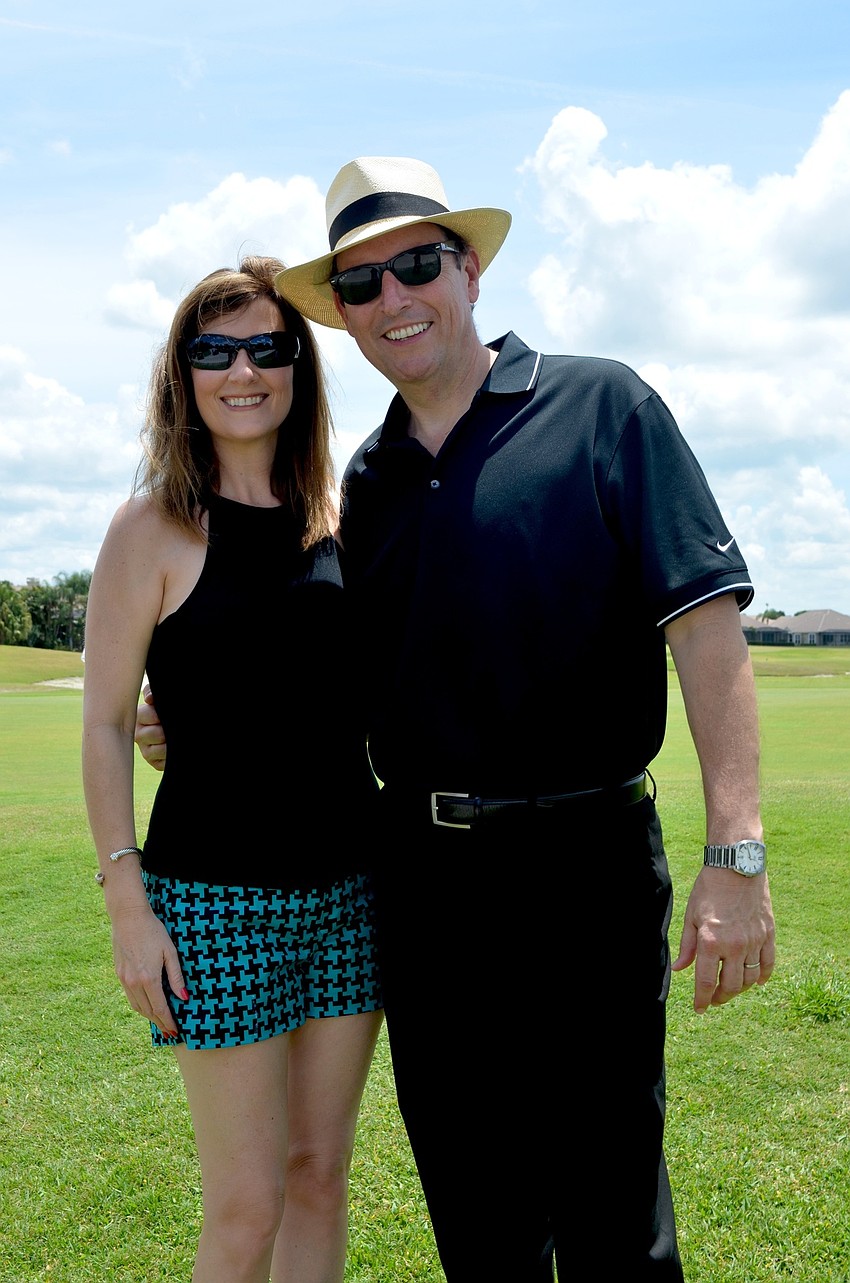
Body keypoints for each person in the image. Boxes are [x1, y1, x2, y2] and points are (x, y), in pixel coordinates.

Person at [136, 158, 776, 1281]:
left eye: (416, 265)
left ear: (467, 269)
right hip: (423, 884)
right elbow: (323, 668)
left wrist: (738, 852)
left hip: (588, 864)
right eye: (361, 285)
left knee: (612, 1207)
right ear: (342, 316)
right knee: (477, 1216)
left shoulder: (604, 405)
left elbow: (705, 627)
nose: (393, 299)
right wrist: (196, 717)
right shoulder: (362, 485)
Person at [83, 255, 383, 1283]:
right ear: (184, 373)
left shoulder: (340, 522)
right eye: (214, 350)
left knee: (319, 1175)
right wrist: (127, 897)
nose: (242, 369)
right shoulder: (151, 529)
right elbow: (104, 720)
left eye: (267, 346)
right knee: (246, 1206)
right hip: (213, 902)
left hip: (351, 892)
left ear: (300, 365)